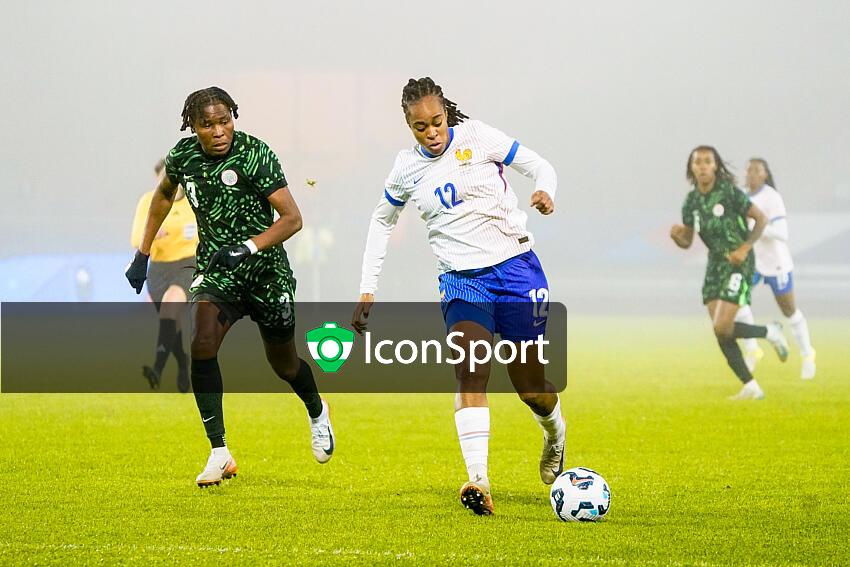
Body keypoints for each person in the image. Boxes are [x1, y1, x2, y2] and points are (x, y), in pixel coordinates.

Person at [351, 77, 566, 515]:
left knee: (531, 390)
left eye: (437, 122)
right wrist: (368, 286)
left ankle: (555, 434)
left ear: (447, 112)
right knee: (470, 371)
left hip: (516, 270)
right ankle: (478, 479)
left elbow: (540, 165)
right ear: (408, 125)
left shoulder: (478, 136)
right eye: (420, 127)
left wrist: (545, 191)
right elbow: (382, 221)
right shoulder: (406, 168)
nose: (431, 133)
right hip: (461, 280)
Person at [125, 87, 335, 487]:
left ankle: (316, 409)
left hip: (266, 272)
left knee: (284, 364)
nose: (219, 131)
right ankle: (219, 452)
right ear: (193, 127)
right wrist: (143, 254)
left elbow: (292, 218)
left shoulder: (255, 154)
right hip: (218, 272)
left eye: (225, 121)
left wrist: (249, 246)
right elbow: (162, 199)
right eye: (208, 124)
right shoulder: (184, 157)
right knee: (201, 343)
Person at [670, 146, 790, 400]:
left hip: (738, 263)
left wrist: (745, 248)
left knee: (723, 326)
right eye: (697, 162)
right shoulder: (691, 202)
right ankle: (751, 386)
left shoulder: (728, 192)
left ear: (715, 166)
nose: (702, 166)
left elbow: (761, 219)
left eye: (707, 161)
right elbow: (688, 241)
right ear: (691, 168)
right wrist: (677, 237)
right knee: (720, 331)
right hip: (715, 265)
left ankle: (770, 332)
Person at [735, 158, 816, 379]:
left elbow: (782, 233)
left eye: (757, 170)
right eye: (749, 169)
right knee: (738, 301)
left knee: (788, 310)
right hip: (752, 261)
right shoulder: (740, 195)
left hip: (775, 262)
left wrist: (757, 227)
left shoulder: (772, 197)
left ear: (765, 174)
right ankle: (753, 350)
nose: (752, 173)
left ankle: (808, 353)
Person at [130, 159, 197, 392]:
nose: (166, 183)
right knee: (171, 324)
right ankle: (182, 362)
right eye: (161, 180)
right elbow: (135, 238)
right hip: (158, 269)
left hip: (187, 265)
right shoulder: (149, 202)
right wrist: (152, 235)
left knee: (170, 307)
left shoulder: (192, 202)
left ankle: (157, 368)